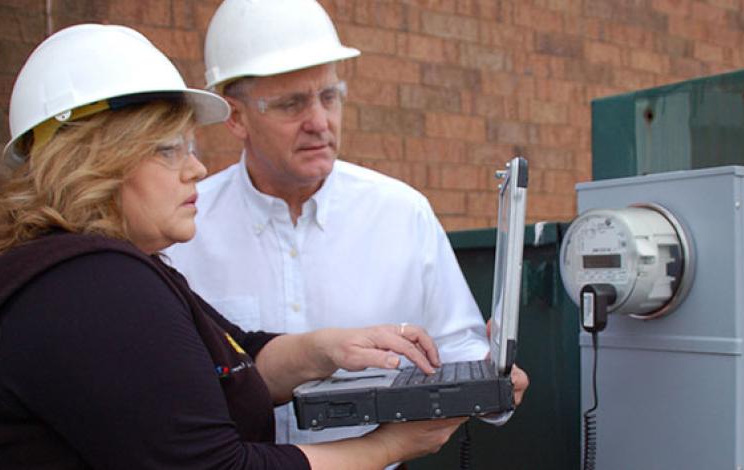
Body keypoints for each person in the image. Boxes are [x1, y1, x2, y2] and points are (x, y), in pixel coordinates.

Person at [0, 24, 469, 470]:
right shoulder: (89, 289)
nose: (197, 168)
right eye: (168, 151)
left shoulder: (100, 272)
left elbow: (233, 362)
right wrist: (389, 445)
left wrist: (325, 350)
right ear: (97, 164)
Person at [165, 0, 529, 455]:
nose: (319, 122)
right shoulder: (182, 229)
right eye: (291, 104)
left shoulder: (402, 214)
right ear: (236, 116)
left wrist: (492, 381)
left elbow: (460, 352)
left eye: (329, 96)